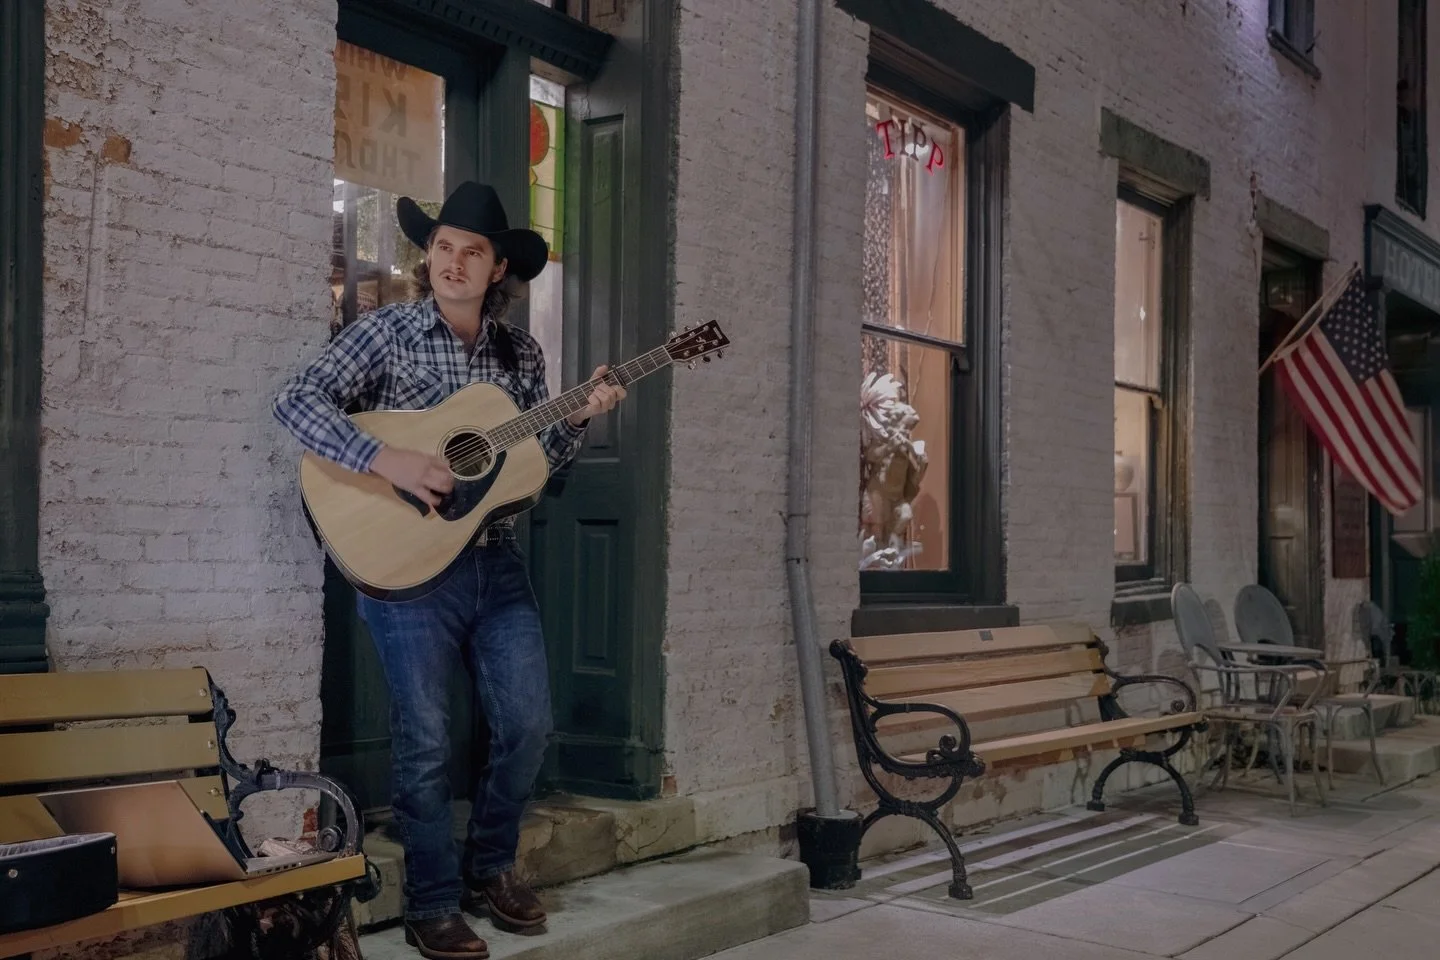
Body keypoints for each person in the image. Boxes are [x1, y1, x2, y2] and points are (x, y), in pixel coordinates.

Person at [273, 180, 625, 960]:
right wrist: (387, 456)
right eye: (443, 248)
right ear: (428, 255)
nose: (454, 263)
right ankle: (431, 902)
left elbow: (532, 472)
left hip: (495, 567)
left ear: (498, 268)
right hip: (406, 568)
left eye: (473, 252)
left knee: (528, 725)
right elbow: (296, 401)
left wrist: (573, 419)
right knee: (425, 739)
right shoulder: (389, 334)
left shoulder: (520, 355)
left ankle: (489, 867)